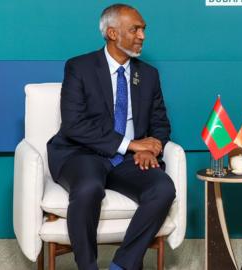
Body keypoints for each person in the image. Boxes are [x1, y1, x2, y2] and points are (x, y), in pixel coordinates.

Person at [47, 4, 176, 270]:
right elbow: (74, 125)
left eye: (143, 29)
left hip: (128, 160)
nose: (142, 36)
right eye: (135, 29)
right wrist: (130, 144)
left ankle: (122, 265)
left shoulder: (149, 75)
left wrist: (149, 149)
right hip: (82, 153)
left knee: (163, 188)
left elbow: (160, 124)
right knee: (88, 188)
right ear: (112, 33)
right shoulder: (78, 67)